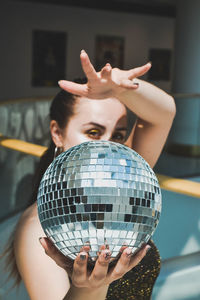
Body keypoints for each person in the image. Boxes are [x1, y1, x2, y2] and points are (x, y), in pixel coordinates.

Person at [6, 50, 176, 300]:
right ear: (57, 133)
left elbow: (164, 113)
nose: (107, 148)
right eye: (93, 132)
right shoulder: (39, 226)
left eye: (118, 136)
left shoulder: (124, 179)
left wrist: (121, 87)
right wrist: (89, 288)